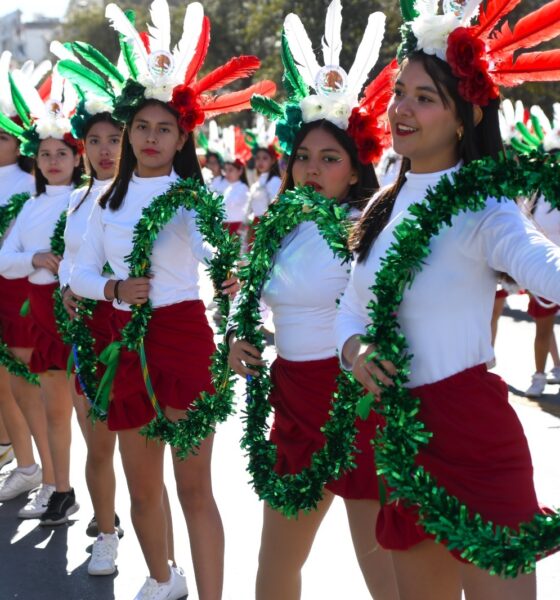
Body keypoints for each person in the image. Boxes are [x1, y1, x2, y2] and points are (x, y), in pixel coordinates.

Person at [336, 2, 560, 598]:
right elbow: (351, 307)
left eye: (424, 97)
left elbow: (543, 265)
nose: (401, 109)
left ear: (465, 118)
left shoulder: (484, 205)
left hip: (474, 438)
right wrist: (356, 351)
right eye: (399, 92)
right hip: (403, 439)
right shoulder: (383, 204)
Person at [69, 3, 273, 597]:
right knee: (143, 489)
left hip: (183, 340)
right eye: (141, 127)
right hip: (125, 344)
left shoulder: (192, 197)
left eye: (164, 129)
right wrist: (112, 288)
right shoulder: (105, 202)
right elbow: (78, 272)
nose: (151, 138)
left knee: (193, 489)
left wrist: (232, 287)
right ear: (129, 132)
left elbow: (216, 256)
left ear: (183, 136)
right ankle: (163, 579)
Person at [228, 3, 398, 598]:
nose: (311, 169)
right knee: (275, 566)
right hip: (294, 398)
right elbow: (253, 295)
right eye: (303, 157)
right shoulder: (281, 224)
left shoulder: (370, 228)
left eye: (329, 159)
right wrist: (237, 335)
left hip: (356, 400)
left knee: (384, 571)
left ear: (354, 170)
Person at [0, 69, 84, 526]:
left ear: (77, 156)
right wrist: (33, 258)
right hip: (38, 313)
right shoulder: (30, 205)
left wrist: (64, 267)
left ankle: (104, 507)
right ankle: (55, 484)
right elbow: (5, 260)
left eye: (62, 153)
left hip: (78, 314)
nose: (53, 161)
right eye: (46, 154)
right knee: (53, 410)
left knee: (89, 414)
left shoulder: (87, 200)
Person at [56, 101, 124, 574]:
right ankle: (105, 531)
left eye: (114, 140)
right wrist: (66, 286)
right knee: (96, 443)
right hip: (86, 331)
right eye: (94, 141)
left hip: (132, 332)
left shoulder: (140, 193)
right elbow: (68, 256)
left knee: (142, 453)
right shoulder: (77, 199)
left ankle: (163, 557)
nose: (104, 150)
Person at [0, 53, 55, 513]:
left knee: (30, 387)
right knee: (4, 387)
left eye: (2, 135)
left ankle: (54, 476)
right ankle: (25, 465)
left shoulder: (29, 184)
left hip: (19, 294)